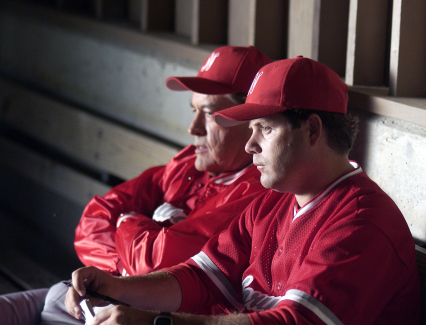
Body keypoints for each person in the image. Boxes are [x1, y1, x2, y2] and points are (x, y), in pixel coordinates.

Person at [65, 56, 421, 324]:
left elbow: (295, 323)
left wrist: (159, 322)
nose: (250, 145)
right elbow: (201, 278)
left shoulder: (362, 224)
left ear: (313, 131)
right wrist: (116, 287)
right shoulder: (273, 203)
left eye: (264, 129)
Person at [0, 46, 272, 325]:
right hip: (100, 297)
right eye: (193, 110)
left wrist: (127, 221)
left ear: (251, 121)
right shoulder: (188, 163)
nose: (193, 128)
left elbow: (159, 264)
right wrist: (124, 270)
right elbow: (93, 220)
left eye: (210, 112)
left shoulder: (256, 191)